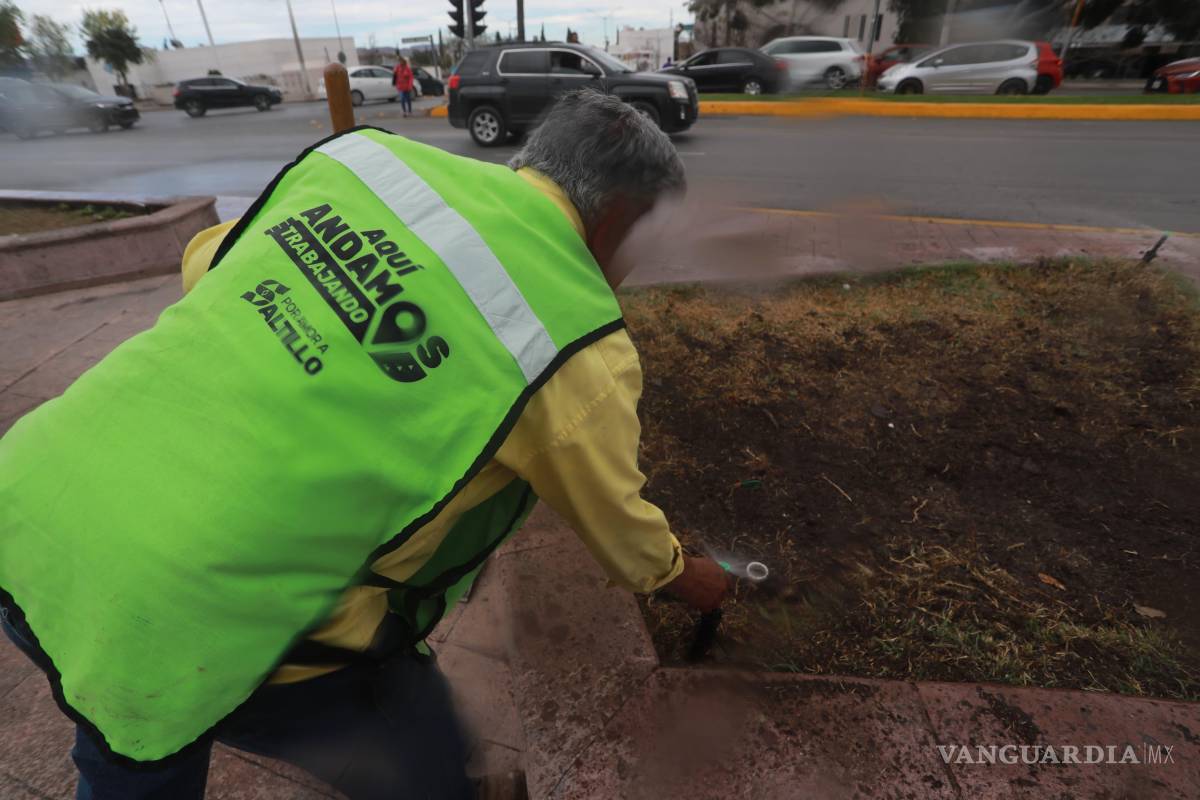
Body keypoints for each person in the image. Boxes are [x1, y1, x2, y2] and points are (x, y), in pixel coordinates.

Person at [0, 89, 730, 800]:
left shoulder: (364, 162)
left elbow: (205, 267)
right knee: (421, 760)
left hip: (32, 497)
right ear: (619, 220)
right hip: (183, 604)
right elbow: (616, 522)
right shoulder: (578, 344)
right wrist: (686, 577)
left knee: (123, 735)